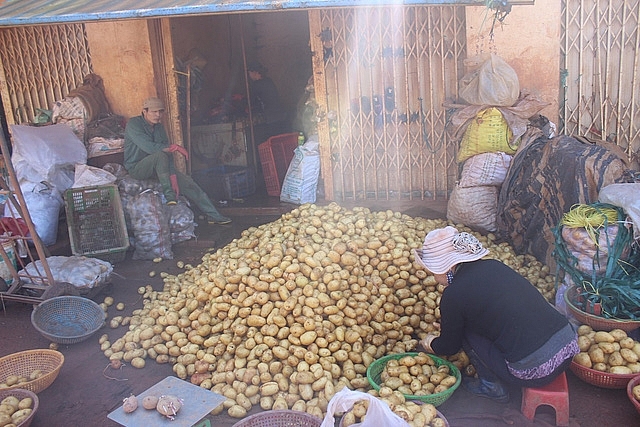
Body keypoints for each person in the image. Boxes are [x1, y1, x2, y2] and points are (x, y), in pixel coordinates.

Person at [413, 226, 579, 403]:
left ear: (446, 267)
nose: (431, 274)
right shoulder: (495, 266)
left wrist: (430, 342)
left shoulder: (453, 295)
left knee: (466, 333)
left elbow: (449, 347)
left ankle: (491, 386)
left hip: (535, 371)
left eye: (432, 269)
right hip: (568, 348)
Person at [124, 97, 231, 225]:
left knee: (189, 184)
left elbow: (167, 155)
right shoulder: (133, 124)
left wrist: (173, 177)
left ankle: (214, 216)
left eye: (160, 111)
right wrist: (175, 147)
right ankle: (169, 195)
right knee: (159, 155)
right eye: (154, 112)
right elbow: (149, 147)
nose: (158, 115)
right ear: (144, 111)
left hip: (160, 167)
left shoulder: (159, 128)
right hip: (138, 168)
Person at [247, 61, 288, 144]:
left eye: (249, 73)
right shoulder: (269, 81)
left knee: (271, 142)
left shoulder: (257, 85)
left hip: (272, 118)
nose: (249, 76)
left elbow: (250, 101)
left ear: (254, 72)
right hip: (281, 116)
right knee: (280, 142)